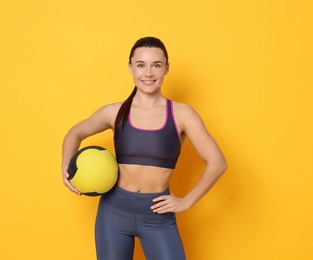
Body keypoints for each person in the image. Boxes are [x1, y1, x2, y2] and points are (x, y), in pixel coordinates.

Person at [61, 36, 227, 260]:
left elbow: (218, 163)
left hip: (158, 216)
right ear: (130, 67)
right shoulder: (114, 112)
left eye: (156, 65)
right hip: (113, 212)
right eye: (141, 65)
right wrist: (66, 166)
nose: (148, 73)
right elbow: (75, 133)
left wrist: (186, 201)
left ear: (166, 68)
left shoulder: (182, 114)